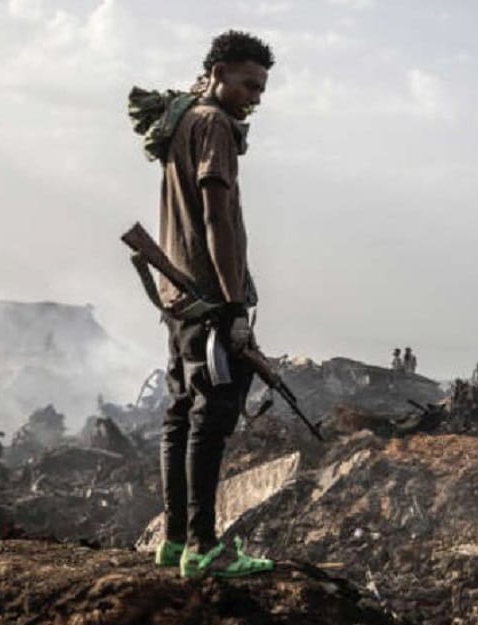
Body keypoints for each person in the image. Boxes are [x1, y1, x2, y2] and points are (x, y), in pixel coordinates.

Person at [151, 30, 275, 579]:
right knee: (212, 419)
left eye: (262, 88)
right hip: (209, 300)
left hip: (179, 298)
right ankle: (205, 547)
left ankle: (175, 541)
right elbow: (215, 217)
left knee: (179, 416)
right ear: (220, 71)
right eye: (250, 83)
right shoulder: (215, 125)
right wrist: (232, 305)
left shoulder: (182, 122)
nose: (256, 96)